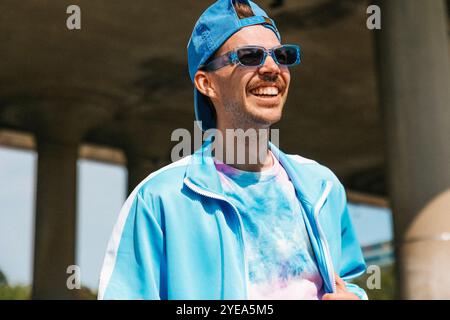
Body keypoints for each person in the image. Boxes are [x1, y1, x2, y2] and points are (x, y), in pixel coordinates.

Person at [98, 0, 367, 300]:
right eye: (249, 56)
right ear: (206, 83)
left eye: (282, 55)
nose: (271, 68)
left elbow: (348, 282)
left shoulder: (323, 187)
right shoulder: (158, 199)